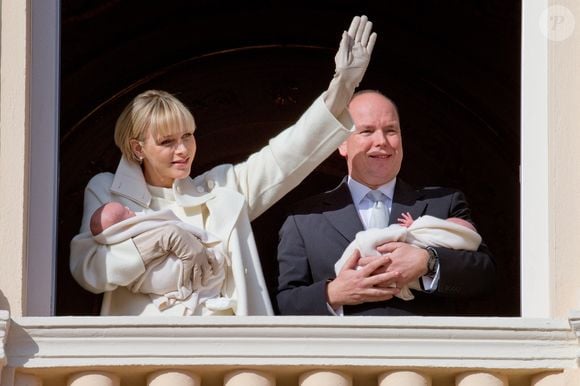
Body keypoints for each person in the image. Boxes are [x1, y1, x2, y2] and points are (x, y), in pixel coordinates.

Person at [70, 15, 378, 316]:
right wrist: (160, 239)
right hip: (146, 354)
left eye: (188, 136)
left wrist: (343, 86)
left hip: (225, 352)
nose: (182, 150)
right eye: (167, 142)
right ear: (138, 148)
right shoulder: (108, 191)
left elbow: (287, 155)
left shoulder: (219, 190)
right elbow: (91, 270)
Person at [276, 90, 496, 316]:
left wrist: (428, 262)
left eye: (391, 131)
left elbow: (484, 275)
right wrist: (334, 293)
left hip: (427, 349)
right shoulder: (303, 219)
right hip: (345, 349)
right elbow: (286, 302)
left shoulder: (444, 202)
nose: (381, 142)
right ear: (342, 144)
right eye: (367, 131)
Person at [89, 202, 228, 315]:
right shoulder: (102, 189)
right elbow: (90, 265)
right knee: (214, 262)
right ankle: (205, 296)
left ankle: (195, 297)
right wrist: (161, 237)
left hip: (150, 281)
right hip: (152, 278)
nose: (128, 208)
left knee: (198, 270)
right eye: (126, 212)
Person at [334, 212, 482, 301]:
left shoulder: (451, 201)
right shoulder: (311, 213)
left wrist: (429, 260)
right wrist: (333, 292)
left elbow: (482, 270)